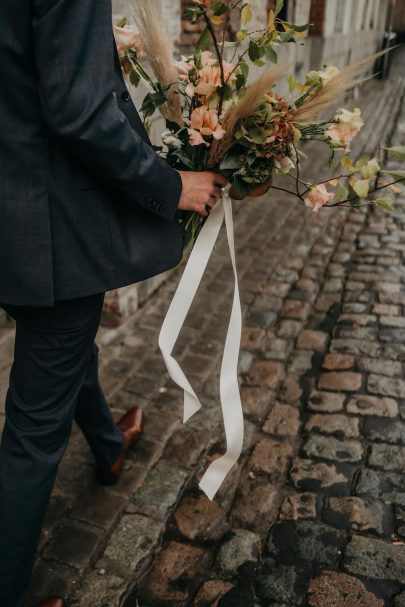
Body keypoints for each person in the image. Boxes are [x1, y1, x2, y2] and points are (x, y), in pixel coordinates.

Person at [0, 1, 227, 606]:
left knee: (62, 346)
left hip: (16, 218)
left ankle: (107, 442)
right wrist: (169, 184)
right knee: (32, 431)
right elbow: (80, 111)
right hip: (48, 224)